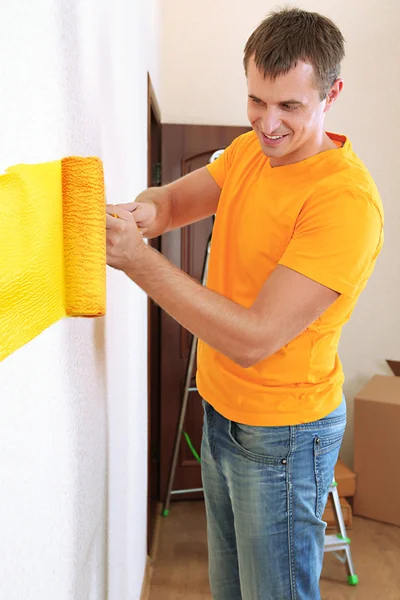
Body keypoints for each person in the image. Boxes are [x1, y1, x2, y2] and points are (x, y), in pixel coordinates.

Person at [106, 7, 383, 600]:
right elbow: (171, 205)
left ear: (332, 93)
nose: (268, 123)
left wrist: (136, 259)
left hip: (285, 435)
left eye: (290, 106)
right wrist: (140, 215)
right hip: (221, 413)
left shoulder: (343, 202)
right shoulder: (249, 153)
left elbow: (255, 338)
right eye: (257, 101)